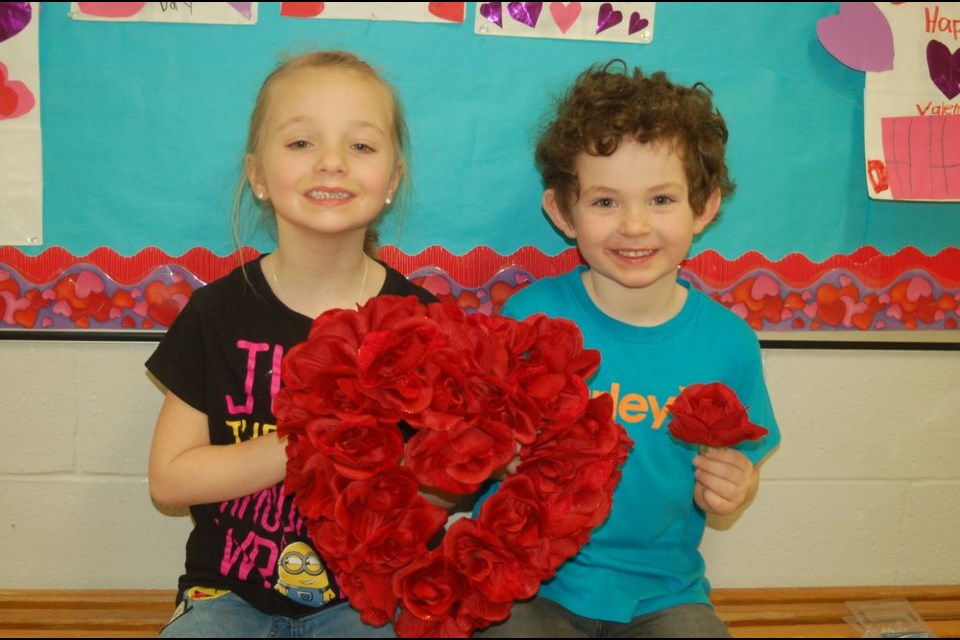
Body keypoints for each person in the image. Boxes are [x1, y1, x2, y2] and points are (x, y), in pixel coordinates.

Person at [478, 60, 781, 638]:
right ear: (563, 213)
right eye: (605, 202)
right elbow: (479, 444)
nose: (635, 226)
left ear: (705, 207)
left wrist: (738, 485)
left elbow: (742, 463)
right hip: (532, 585)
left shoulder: (728, 343)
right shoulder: (527, 319)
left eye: (662, 200)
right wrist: (499, 457)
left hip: (664, 593)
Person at [146, 50, 436, 638]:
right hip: (226, 596)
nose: (331, 163)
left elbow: (438, 492)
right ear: (257, 175)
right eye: (301, 143)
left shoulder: (422, 323)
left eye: (361, 146)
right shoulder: (216, 313)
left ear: (393, 180)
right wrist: (311, 442)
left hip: (366, 602)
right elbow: (170, 480)